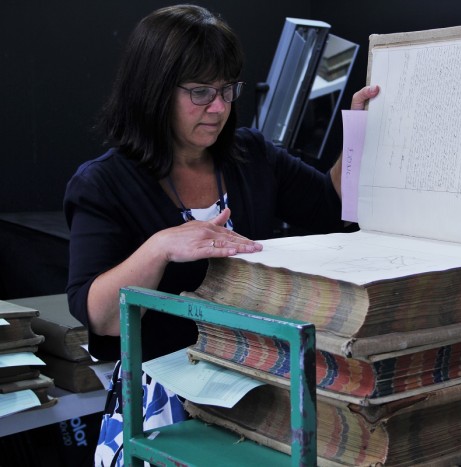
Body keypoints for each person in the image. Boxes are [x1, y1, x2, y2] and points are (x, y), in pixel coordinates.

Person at [63, 4, 379, 465]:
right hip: (166, 402)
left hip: (258, 392)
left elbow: (332, 209)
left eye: (227, 90)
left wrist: (359, 131)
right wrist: (160, 246)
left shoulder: (250, 155)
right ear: (152, 92)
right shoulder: (103, 184)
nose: (219, 107)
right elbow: (102, 316)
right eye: (200, 92)